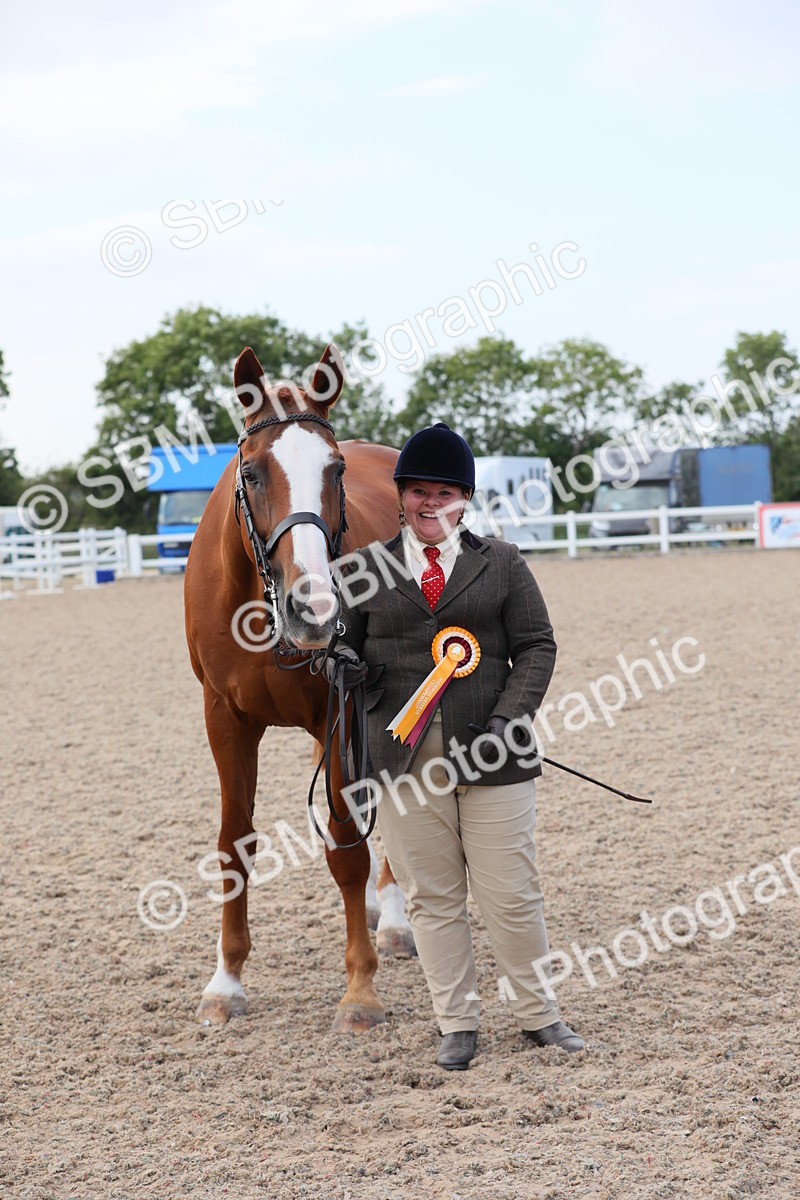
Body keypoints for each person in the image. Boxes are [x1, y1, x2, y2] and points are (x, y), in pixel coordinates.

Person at [333, 422, 584, 1070]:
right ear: (401, 496)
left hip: (493, 753)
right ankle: (457, 1023)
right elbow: (340, 649)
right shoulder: (363, 570)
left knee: (512, 892)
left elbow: (537, 646)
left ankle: (539, 1014)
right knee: (431, 898)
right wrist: (346, 667)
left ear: (465, 499)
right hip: (402, 760)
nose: (430, 504)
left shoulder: (501, 562)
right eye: (419, 491)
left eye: (445, 493)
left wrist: (509, 718)